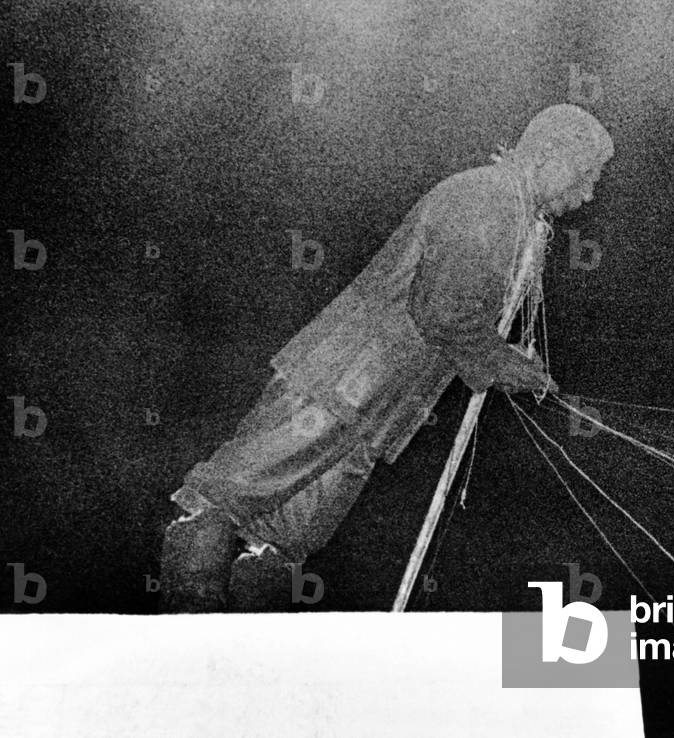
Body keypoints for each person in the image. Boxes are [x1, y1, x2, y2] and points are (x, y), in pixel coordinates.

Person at [160, 103, 614, 612]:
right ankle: (189, 625)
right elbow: (443, 311)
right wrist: (511, 367)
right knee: (233, 495)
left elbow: (450, 313)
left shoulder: (512, 211)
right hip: (340, 379)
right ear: (548, 157)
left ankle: (246, 656)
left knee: (288, 534)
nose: (588, 193)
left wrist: (502, 358)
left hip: (374, 405)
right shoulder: (488, 198)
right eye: (587, 175)